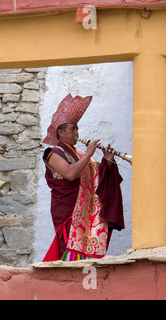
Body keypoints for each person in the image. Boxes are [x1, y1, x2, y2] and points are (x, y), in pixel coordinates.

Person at [42, 94, 125, 262]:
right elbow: (70, 174)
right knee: (71, 253)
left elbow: (96, 178)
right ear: (61, 132)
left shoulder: (79, 154)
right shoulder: (53, 153)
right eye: (73, 129)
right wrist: (88, 154)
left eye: (77, 129)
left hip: (86, 212)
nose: (77, 133)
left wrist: (107, 163)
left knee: (86, 258)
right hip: (68, 212)